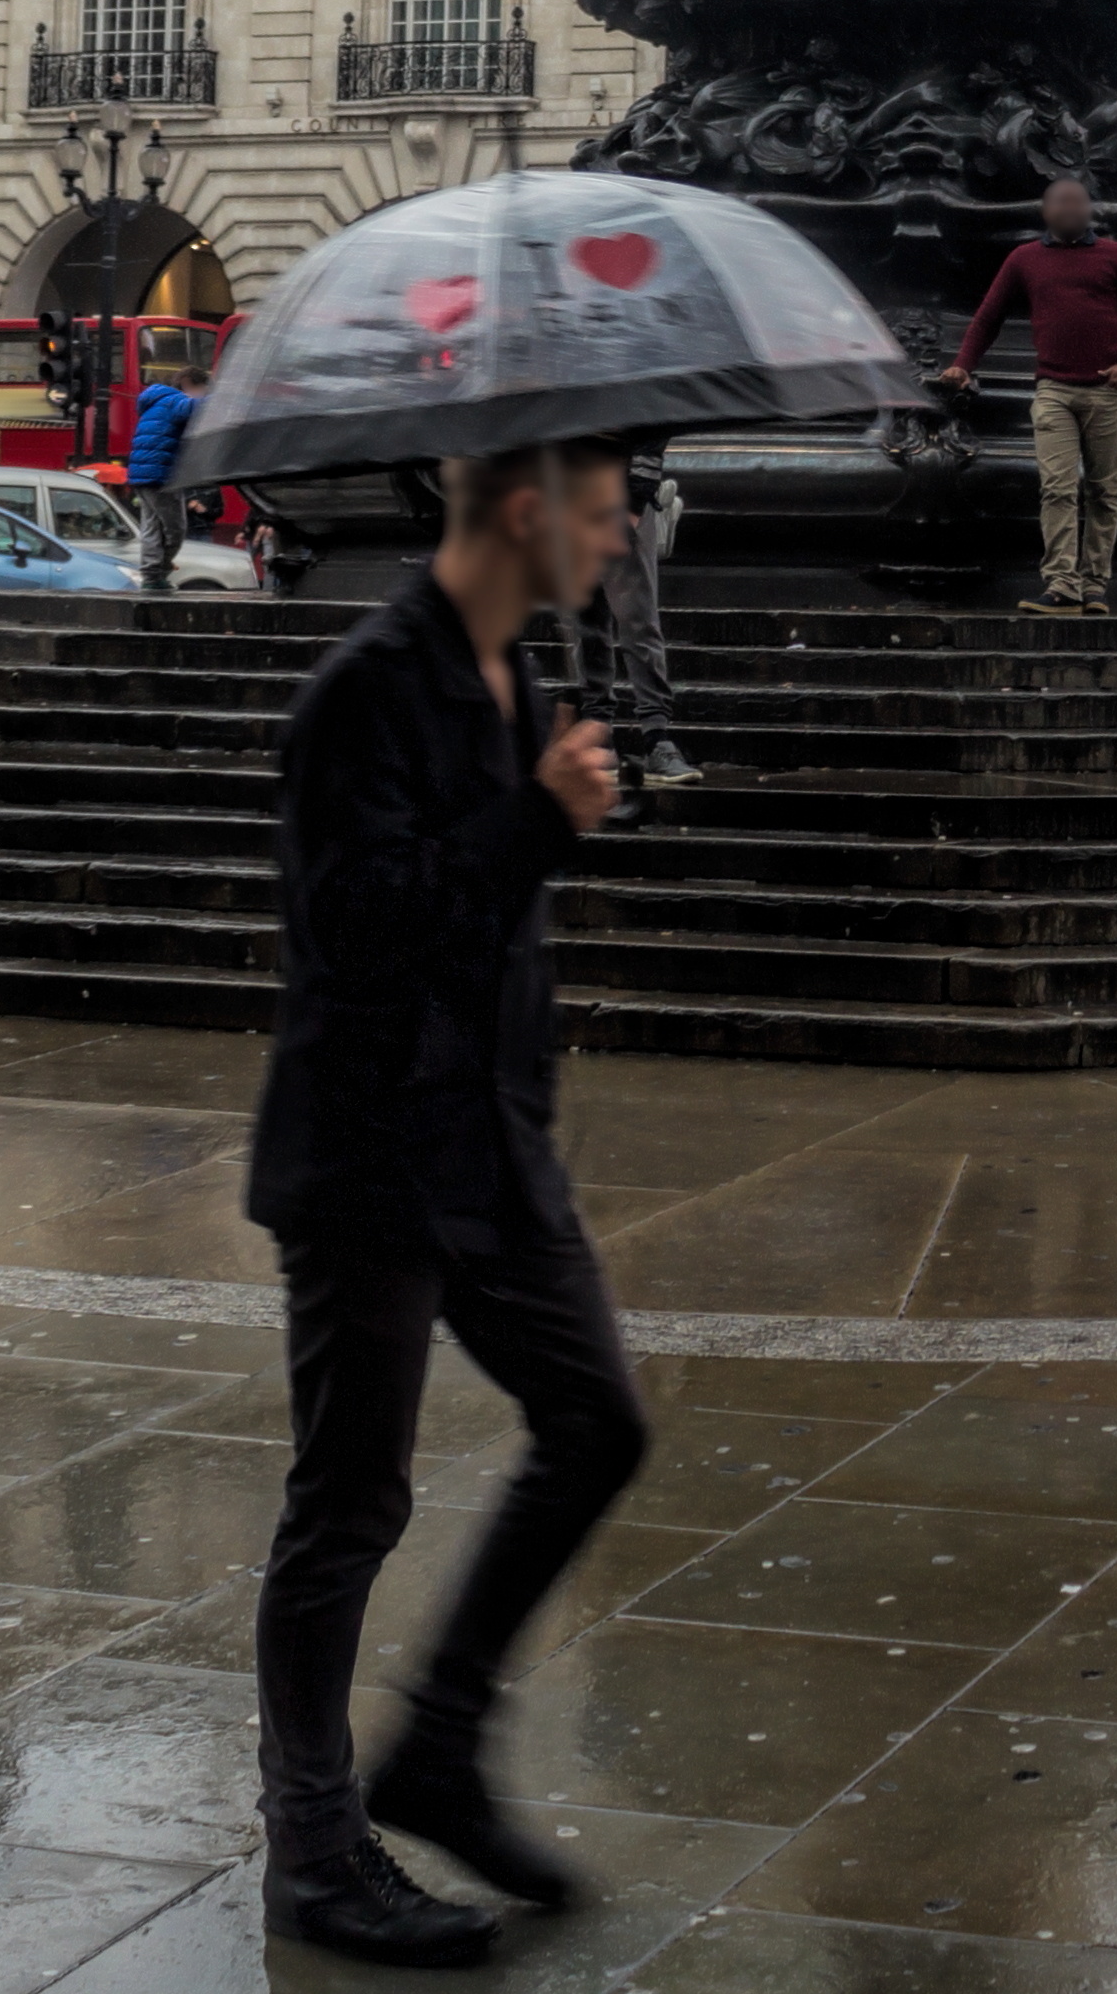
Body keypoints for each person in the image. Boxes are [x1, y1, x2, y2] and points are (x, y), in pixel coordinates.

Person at [251, 435, 651, 1966]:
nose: (617, 545)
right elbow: (353, 929)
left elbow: (486, 923)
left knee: (598, 1420)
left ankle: (439, 1745)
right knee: (347, 1504)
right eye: (603, 518)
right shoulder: (368, 684)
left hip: (491, 1142)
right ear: (522, 511)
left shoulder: (516, 674)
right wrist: (537, 819)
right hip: (369, 1155)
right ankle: (315, 1844)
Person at [936, 176, 1117, 616]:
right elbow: (987, 317)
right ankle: (1062, 583)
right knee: (1057, 488)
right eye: (1060, 203)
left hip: (1108, 393)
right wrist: (963, 364)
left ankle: (1095, 585)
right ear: (1046, 211)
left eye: (1077, 202)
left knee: (1103, 492)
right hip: (1054, 389)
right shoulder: (1024, 259)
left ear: (1089, 209)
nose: (1069, 210)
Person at [582, 446, 691, 798]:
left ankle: (657, 737)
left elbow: (648, 427)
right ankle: (599, 733)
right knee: (586, 621)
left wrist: (633, 505)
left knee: (637, 619)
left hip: (618, 489)